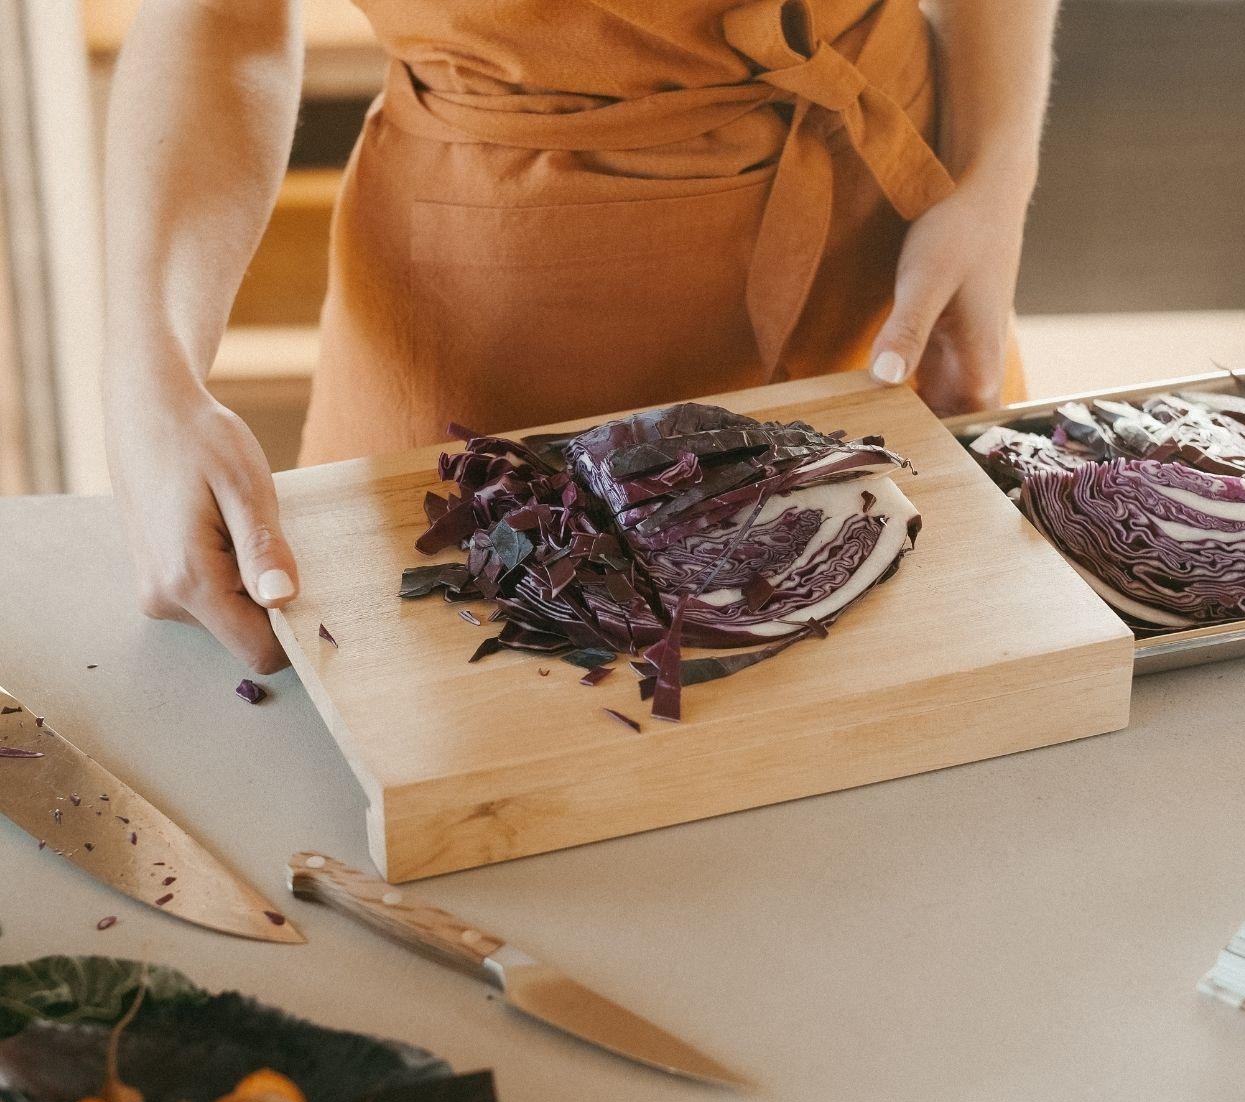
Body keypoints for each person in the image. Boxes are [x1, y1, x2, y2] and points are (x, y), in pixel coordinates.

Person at [103, 0, 1059, 674]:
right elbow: (221, 22)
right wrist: (149, 376)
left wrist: (994, 176)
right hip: (486, 332)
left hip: (877, 260)